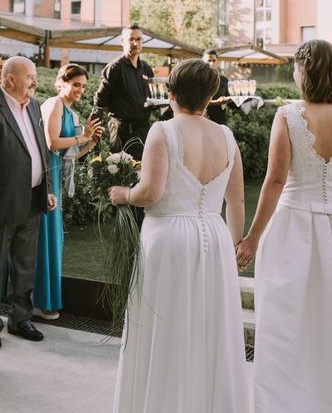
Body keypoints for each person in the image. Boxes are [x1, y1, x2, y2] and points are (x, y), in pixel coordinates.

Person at [236, 39, 332, 413]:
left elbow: (274, 181)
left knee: (291, 322)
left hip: (292, 228)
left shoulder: (289, 116)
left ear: (304, 72)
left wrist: (253, 238)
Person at [108, 59, 248, 412]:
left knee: (166, 329)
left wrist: (122, 193)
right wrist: (233, 246)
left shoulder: (163, 131)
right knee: (210, 329)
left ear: (169, 94)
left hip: (168, 237)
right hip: (214, 239)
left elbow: (149, 193)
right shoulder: (227, 137)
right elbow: (236, 200)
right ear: (212, 95)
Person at [0, 56, 56, 350]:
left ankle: (20, 318)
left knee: (26, 263)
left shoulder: (34, 105)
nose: (35, 81)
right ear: (10, 79)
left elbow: (40, 150)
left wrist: (46, 187)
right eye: (30, 76)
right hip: (1, 202)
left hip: (33, 198)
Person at [35, 64, 103, 320]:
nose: (80, 90)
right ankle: (39, 300)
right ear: (61, 82)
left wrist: (91, 141)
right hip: (43, 178)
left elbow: (69, 157)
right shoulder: (53, 104)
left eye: (83, 86)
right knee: (45, 238)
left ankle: (46, 299)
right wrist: (82, 136)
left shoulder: (72, 115)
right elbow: (51, 142)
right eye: (76, 84)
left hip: (57, 177)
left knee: (53, 239)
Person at [94, 24, 154, 161]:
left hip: (143, 129)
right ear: (122, 41)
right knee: (122, 173)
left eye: (139, 39)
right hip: (122, 130)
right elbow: (100, 101)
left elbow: (151, 98)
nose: (135, 43)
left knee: (142, 171)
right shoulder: (115, 67)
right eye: (131, 39)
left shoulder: (146, 69)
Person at [203, 49, 230, 125]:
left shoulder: (224, 80)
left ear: (217, 62)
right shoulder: (198, 79)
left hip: (220, 121)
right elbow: (196, 102)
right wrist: (217, 102)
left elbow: (229, 100)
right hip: (203, 121)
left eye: (214, 60)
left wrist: (243, 100)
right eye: (209, 60)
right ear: (202, 62)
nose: (211, 63)